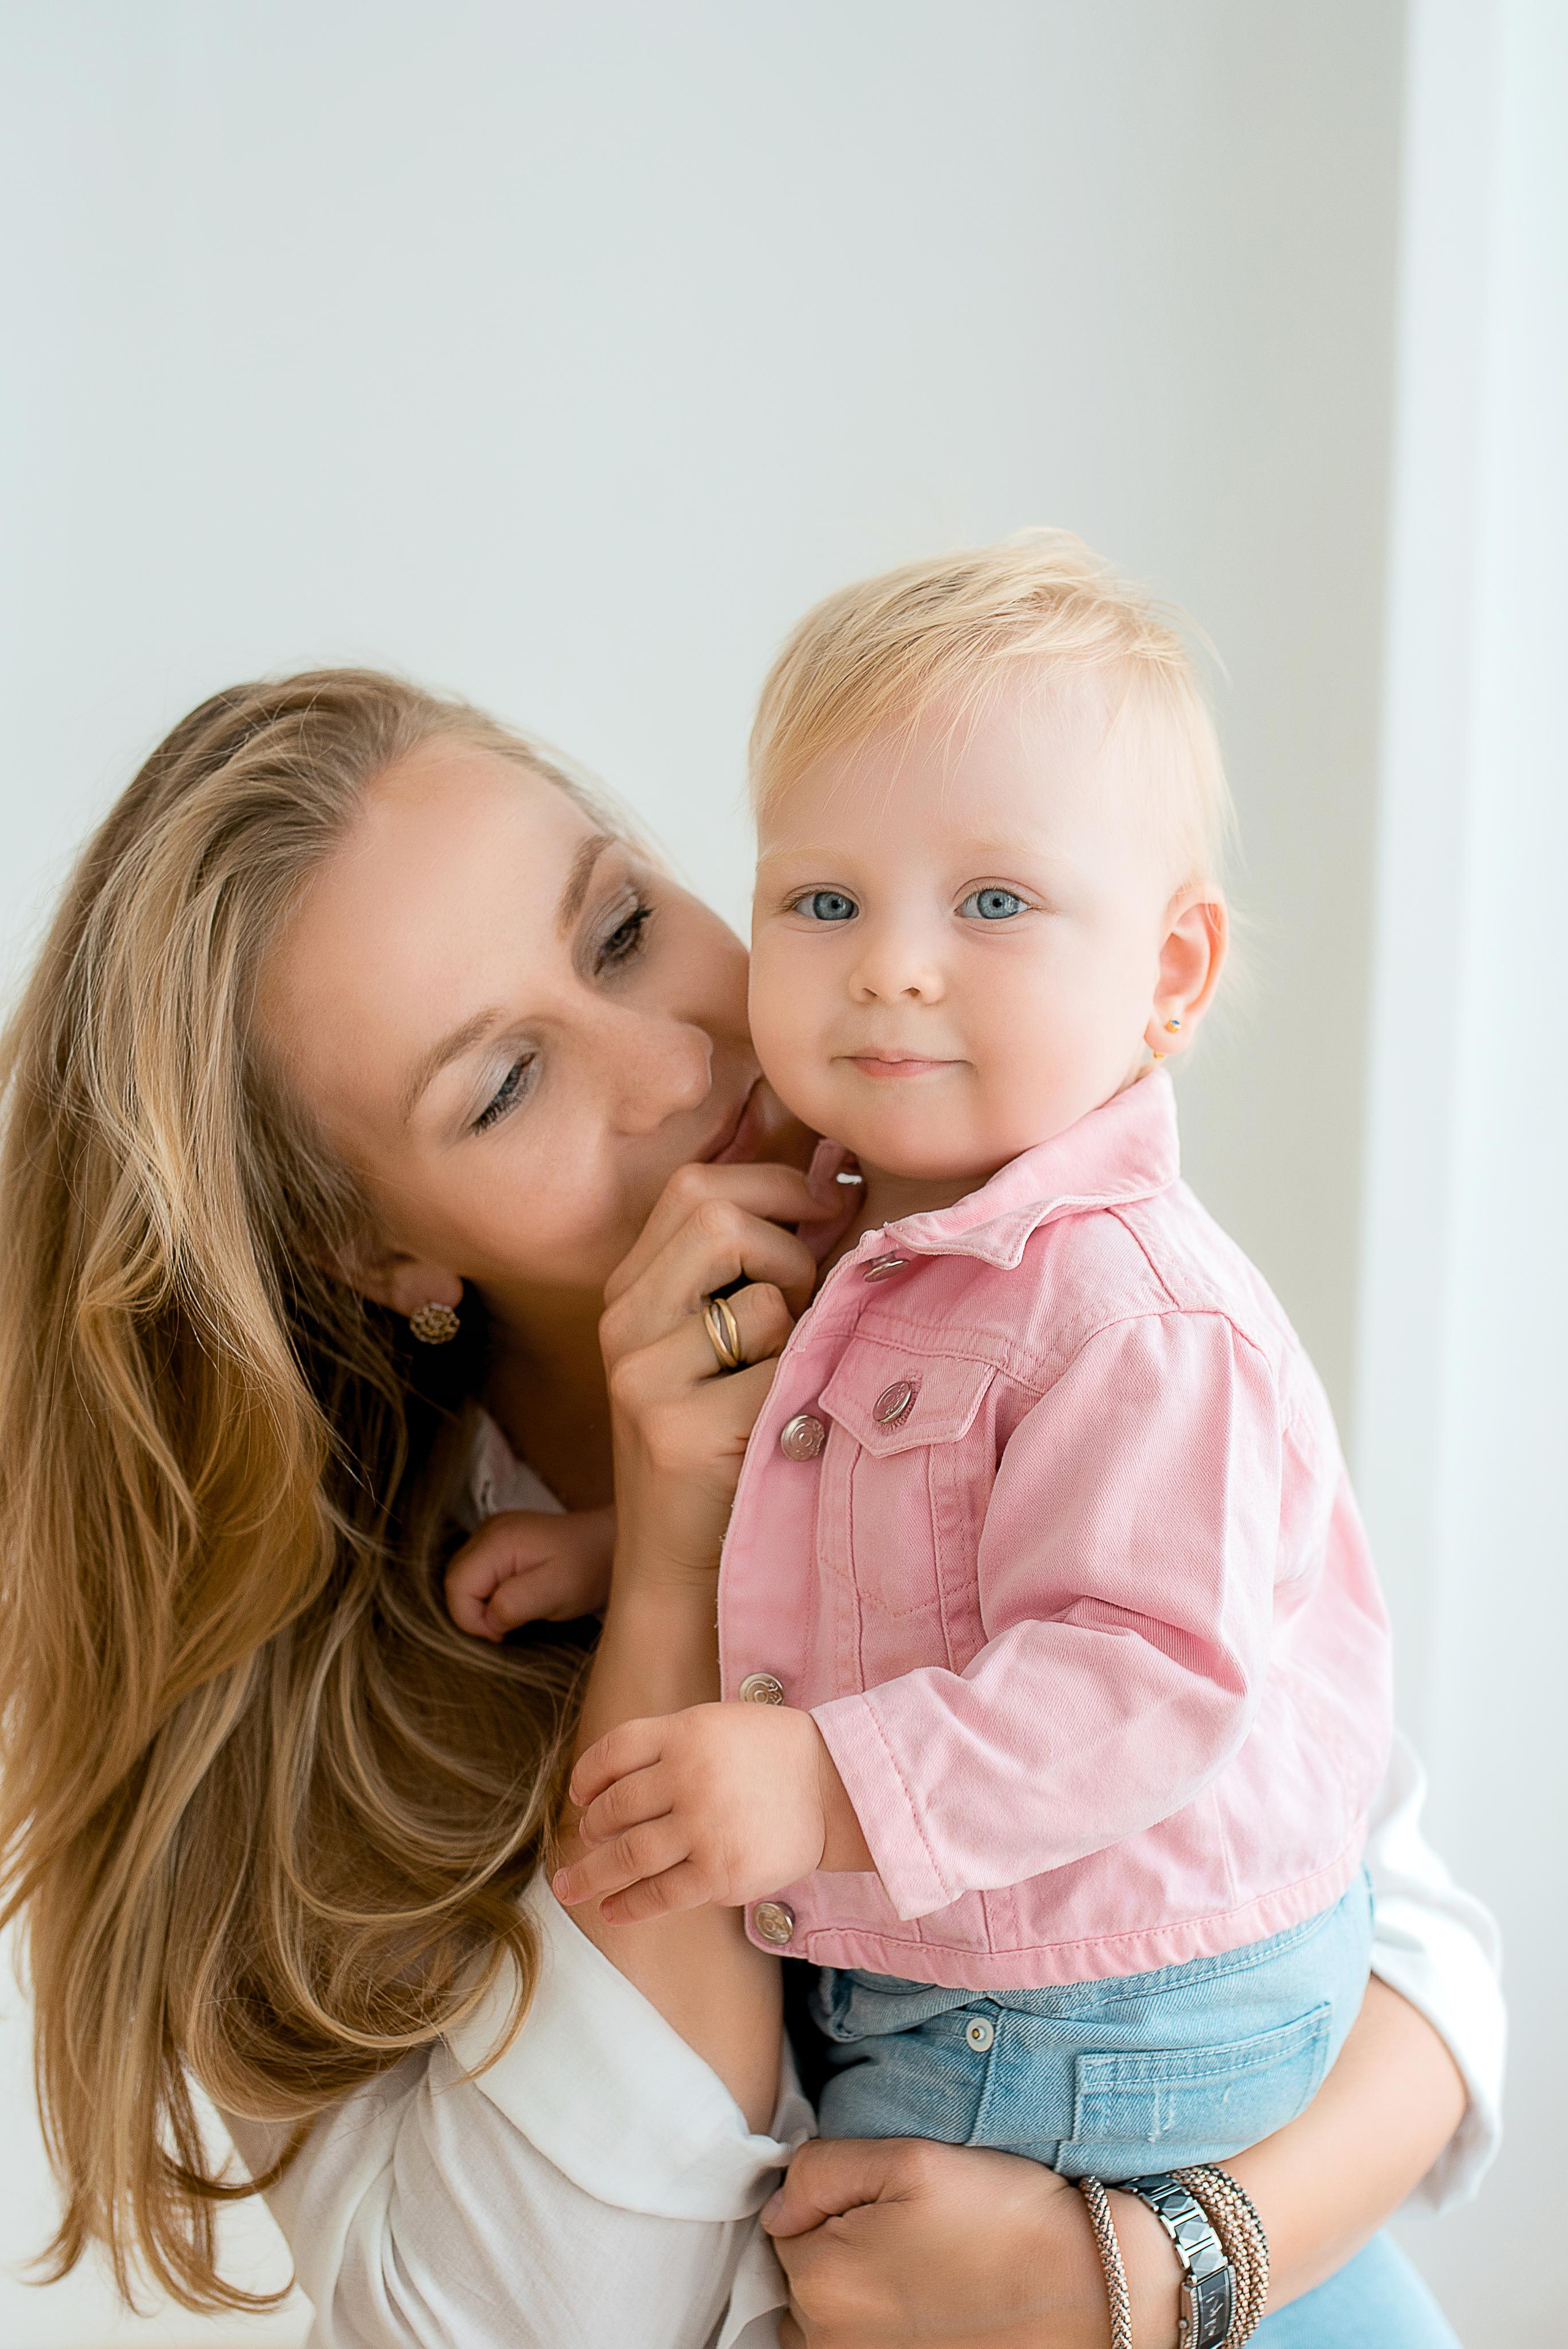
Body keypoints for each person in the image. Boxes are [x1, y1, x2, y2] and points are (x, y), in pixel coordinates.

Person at [0, 671, 1498, 2347]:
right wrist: (667, 1568)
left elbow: (1409, 1946)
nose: (673, 1063)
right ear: (377, 1254)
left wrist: (1131, 2279)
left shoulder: (1039, 1274)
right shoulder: (288, 1728)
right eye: (506, 1085)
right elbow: (566, 2323)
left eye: (626, 925)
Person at [554, 536, 1389, 2225]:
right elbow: (889, 1519)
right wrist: (603, 1546)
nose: (893, 963)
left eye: (992, 902)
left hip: (1112, 2000)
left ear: (1170, 974)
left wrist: (825, 1780)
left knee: (848, 2276)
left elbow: (1143, 1668)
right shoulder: (886, 1230)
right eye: (824, 898)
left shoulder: (1127, 1308)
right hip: (1032, 1961)